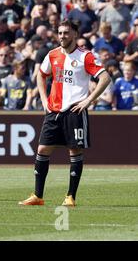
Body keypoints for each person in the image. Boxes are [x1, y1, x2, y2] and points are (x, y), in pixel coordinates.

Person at [19, 19, 111, 207]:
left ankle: (70, 196)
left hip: (74, 111)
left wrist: (88, 100)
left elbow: (105, 77)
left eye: (66, 33)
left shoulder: (85, 56)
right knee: (42, 150)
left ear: (75, 34)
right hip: (54, 111)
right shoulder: (52, 55)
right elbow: (41, 75)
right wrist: (44, 100)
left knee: (74, 151)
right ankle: (37, 195)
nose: (62, 36)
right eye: (60, 33)